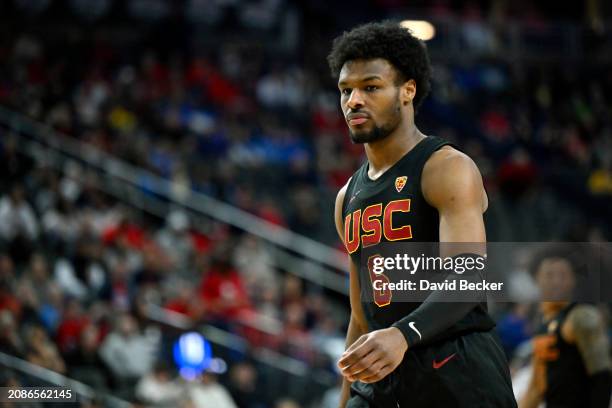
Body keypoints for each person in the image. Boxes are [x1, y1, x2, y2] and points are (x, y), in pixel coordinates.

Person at [328, 21, 516, 407]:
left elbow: (470, 278)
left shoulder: (445, 167)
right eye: (346, 90)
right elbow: (360, 315)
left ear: (407, 90)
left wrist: (403, 333)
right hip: (384, 376)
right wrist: (346, 398)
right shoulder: (347, 196)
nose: (354, 101)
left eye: (371, 87)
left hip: (455, 365)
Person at [519, 249, 611, 408]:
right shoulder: (543, 323)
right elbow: (536, 387)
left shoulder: (581, 316)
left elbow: (602, 375)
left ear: (573, 280)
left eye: (563, 275)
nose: (556, 282)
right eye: (550, 275)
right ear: (536, 279)